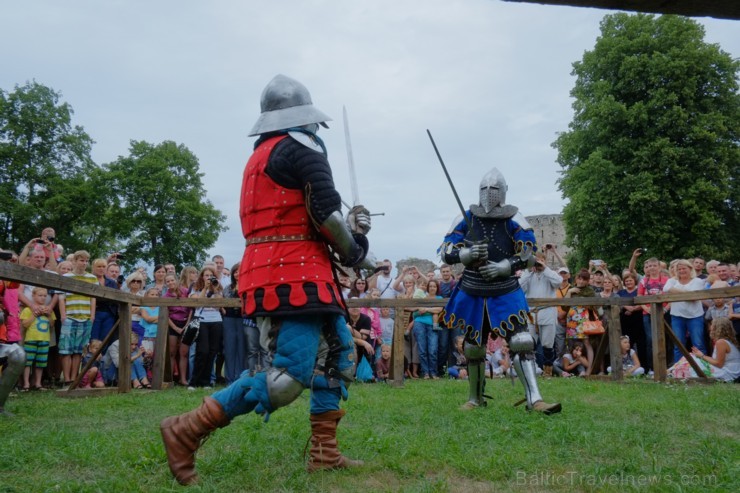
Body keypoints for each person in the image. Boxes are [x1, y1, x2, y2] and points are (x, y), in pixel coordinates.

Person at [160, 74, 373, 484]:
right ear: (304, 117)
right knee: (287, 378)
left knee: (336, 356)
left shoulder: (260, 155)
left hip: (290, 267)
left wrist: (353, 235)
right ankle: (186, 429)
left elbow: (301, 213)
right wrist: (357, 246)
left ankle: (325, 453)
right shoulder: (301, 147)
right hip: (291, 272)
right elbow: (325, 213)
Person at [439, 167, 560, 414]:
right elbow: (445, 251)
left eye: (494, 189)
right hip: (473, 287)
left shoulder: (515, 218)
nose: (489, 194)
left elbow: (527, 255)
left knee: (522, 341)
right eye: (485, 189)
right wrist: (465, 253)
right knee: (473, 345)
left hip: (505, 288)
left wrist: (507, 265)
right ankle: (475, 398)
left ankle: (534, 399)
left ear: (503, 192)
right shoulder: (466, 218)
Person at [58, 251, 98, 386]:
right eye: (81, 260)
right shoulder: (66, 276)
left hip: (85, 317)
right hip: (70, 316)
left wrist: (92, 315)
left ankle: (74, 378)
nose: (84, 263)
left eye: (86, 261)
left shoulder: (92, 278)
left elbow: (93, 298)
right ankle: (66, 378)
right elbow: (61, 297)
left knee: (78, 350)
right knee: (66, 350)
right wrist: (63, 315)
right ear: (74, 261)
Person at [518, 254, 561, 377]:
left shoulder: (550, 274)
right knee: (529, 343)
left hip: (547, 312)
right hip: (531, 313)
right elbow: (520, 288)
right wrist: (528, 270)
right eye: (536, 261)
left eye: (541, 260)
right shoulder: (528, 274)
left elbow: (558, 282)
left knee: (548, 344)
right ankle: (530, 369)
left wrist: (545, 268)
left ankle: (548, 370)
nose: (538, 263)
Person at [187, 266, 224, 389]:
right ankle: (194, 381)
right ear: (202, 276)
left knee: (212, 352)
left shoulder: (218, 287)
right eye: (206, 275)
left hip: (216, 321)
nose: (209, 278)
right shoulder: (195, 287)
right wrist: (205, 288)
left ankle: (206, 382)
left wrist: (214, 289)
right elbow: (198, 303)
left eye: (211, 275)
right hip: (202, 320)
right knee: (202, 351)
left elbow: (219, 304)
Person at [663, 259, 706, 364]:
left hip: (695, 316)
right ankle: (679, 371)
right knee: (678, 345)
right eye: (679, 269)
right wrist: (687, 293)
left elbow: (693, 298)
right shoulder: (673, 281)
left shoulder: (698, 281)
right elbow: (666, 289)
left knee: (698, 344)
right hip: (677, 316)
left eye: (684, 268)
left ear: (690, 269)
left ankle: (702, 369)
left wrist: (676, 292)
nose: (681, 271)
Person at [637, 257, 669, 373]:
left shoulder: (666, 280)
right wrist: (646, 308)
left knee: (665, 339)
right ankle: (652, 368)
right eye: (649, 266)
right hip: (647, 314)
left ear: (659, 267)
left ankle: (665, 367)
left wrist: (665, 309)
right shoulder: (643, 281)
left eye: (654, 265)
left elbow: (671, 297)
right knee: (650, 340)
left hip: (664, 313)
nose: (652, 268)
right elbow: (639, 297)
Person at [20, 287, 55, 391]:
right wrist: (34, 315)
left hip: (44, 340)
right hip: (30, 339)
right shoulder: (27, 309)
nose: (43, 298)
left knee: (41, 362)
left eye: (45, 296)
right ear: (33, 296)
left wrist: (48, 315)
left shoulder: (49, 310)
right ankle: (26, 384)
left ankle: (38, 383)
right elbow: (24, 324)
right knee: (27, 362)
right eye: (40, 295)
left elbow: (52, 325)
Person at [564, 269, 598, 374]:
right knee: (571, 344)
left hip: (584, 319)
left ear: (588, 281)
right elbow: (564, 306)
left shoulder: (590, 291)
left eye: (584, 279)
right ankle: (573, 368)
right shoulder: (570, 289)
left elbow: (595, 306)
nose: (581, 281)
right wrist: (570, 292)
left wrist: (585, 302)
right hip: (572, 319)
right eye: (580, 278)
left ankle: (589, 368)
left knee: (586, 343)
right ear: (576, 279)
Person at [163, 274, 192, 386]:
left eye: (172, 280)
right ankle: (170, 379)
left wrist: (186, 325)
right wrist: (175, 328)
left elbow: (191, 309)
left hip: (186, 322)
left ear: (176, 280)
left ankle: (183, 379)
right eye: (168, 281)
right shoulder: (166, 297)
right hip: (173, 324)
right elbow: (166, 314)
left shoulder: (185, 291)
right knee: (172, 352)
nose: (170, 283)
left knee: (184, 353)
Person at [411, 279, 443, 379]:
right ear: (427, 288)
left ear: (437, 288)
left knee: (433, 349)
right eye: (430, 286)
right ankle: (425, 372)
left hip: (432, 325)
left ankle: (433, 372)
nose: (432, 288)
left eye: (434, 286)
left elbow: (439, 309)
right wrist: (432, 310)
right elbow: (418, 310)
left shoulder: (439, 298)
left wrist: (427, 309)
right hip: (419, 323)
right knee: (422, 349)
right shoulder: (423, 297)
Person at [222, 263, 246, 384]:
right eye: (235, 272)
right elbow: (223, 301)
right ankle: (229, 379)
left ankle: (241, 377)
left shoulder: (248, 286)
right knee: (230, 348)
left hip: (243, 319)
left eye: (239, 271)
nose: (237, 274)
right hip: (229, 319)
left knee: (242, 349)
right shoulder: (228, 288)